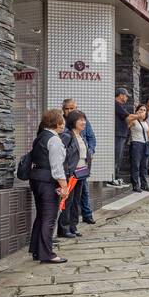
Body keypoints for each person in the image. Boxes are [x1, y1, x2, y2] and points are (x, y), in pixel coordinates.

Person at [27, 108, 69, 264]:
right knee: (49, 218)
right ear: (58, 123)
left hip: (36, 179)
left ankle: (37, 250)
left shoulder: (40, 137)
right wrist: (64, 187)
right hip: (48, 182)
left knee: (41, 215)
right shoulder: (55, 140)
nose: (64, 124)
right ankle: (47, 254)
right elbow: (57, 167)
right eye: (62, 121)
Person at [62, 98, 98, 225]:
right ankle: (66, 225)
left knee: (83, 192)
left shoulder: (83, 122)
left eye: (72, 108)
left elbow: (91, 138)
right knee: (70, 197)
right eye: (67, 108)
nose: (70, 111)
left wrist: (91, 151)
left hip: (82, 165)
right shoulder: (62, 125)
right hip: (70, 168)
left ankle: (85, 215)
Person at [57, 110, 90, 239]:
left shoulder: (81, 135)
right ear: (73, 121)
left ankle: (73, 226)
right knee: (68, 201)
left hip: (81, 173)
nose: (83, 122)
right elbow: (62, 155)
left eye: (84, 119)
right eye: (80, 120)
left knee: (76, 201)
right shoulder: (67, 135)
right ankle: (64, 229)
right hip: (71, 174)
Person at [128, 102, 149, 192]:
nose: (143, 112)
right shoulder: (134, 120)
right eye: (141, 110)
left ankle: (144, 185)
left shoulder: (146, 122)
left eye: (144, 110)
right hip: (136, 144)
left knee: (144, 166)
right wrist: (136, 116)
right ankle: (135, 185)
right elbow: (127, 125)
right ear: (137, 111)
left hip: (146, 144)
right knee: (136, 165)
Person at [109, 87, 131, 187]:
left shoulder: (120, 105)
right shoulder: (116, 104)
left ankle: (116, 178)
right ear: (121, 95)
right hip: (117, 134)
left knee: (119, 157)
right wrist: (139, 116)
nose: (127, 98)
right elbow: (128, 117)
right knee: (116, 157)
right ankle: (112, 179)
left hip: (121, 134)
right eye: (126, 96)